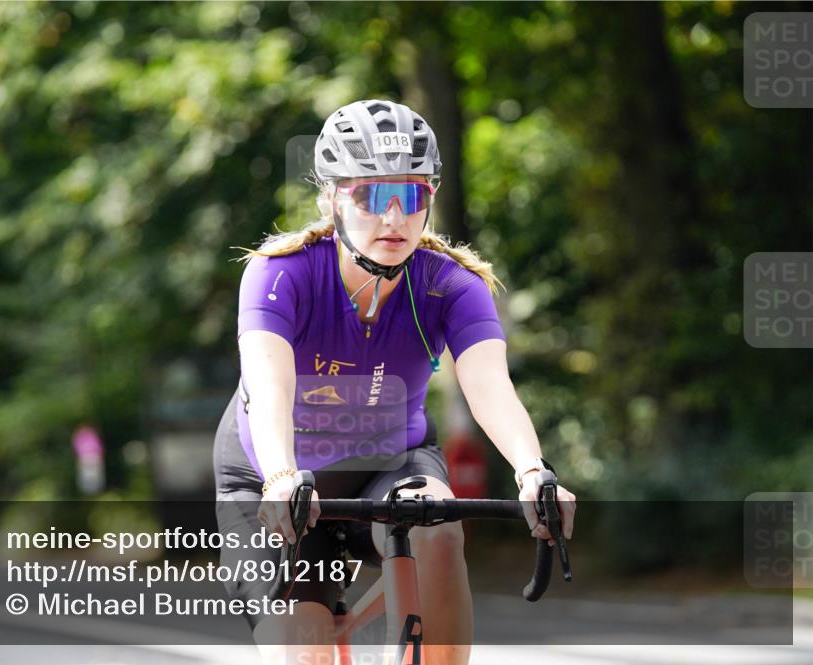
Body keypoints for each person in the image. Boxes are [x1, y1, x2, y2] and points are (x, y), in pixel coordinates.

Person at [213, 99, 576, 665]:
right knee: (304, 652)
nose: (394, 217)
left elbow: (489, 386)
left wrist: (533, 471)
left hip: (386, 463)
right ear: (333, 197)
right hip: (272, 473)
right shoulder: (279, 273)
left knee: (439, 525)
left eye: (412, 196)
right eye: (371, 195)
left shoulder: (450, 285)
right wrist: (282, 477)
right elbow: (269, 387)